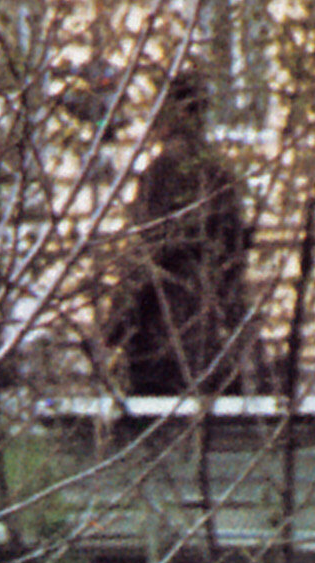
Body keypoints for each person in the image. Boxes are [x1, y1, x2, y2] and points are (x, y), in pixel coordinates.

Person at [101, 67, 254, 395]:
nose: (153, 121)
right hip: (216, 338)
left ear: (179, 112)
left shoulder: (166, 169)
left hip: (166, 337)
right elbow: (236, 258)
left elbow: (147, 253)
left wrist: (114, 325)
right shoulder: (222, 173)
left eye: (160, 109)